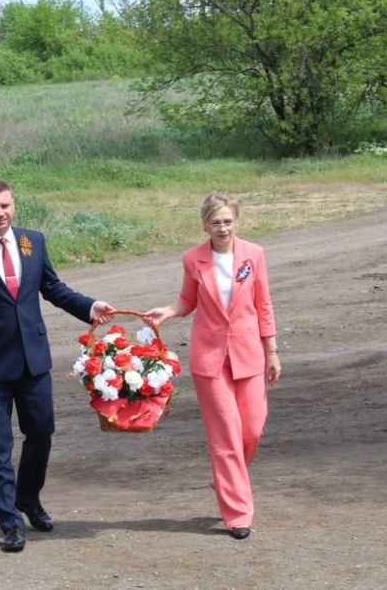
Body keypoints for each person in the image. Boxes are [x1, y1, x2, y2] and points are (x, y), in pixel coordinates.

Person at [0, 180, 112, 553]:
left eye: (5, 206)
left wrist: (88, 307)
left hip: (33, 361)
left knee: (41, 433)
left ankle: (28, 498)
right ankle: (10, 523)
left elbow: (52, 287)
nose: (0, 213)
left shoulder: (31, 242)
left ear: (13, 205)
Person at [144, 192, 281, 540]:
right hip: (210, 359)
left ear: (237, 221)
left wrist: (272, 351)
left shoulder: (254, 255)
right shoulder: (193, 259)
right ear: (205, 225)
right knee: (226, 437)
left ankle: (227, 478)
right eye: (216, 222)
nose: (223, 228)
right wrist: (167, 311)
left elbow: (263, 304)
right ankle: (238, 514)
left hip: (249, 353)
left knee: (252, 429)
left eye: (228, 221)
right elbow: (187, 300)